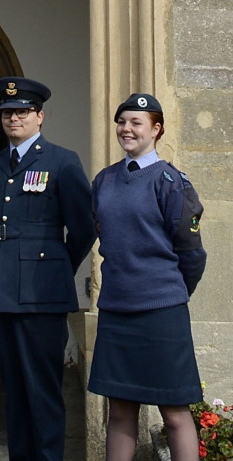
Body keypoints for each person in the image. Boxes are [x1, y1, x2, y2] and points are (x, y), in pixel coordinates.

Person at [0, 77, 96, 461]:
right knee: (13, 393)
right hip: (3, 294)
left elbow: (83, 227)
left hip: (42, 296)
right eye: (7, 113)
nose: (14, 119)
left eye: (22, 112)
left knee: (43, 392)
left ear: (39, 116)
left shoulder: (62, 161)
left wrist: (56, 267)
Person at [88, 93, 206, 461]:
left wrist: (167, 294)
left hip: (161, 314)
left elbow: (191, 253)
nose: (127, 129)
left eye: (136, 123)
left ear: (156, 129)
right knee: (121, 410)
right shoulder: (104, 180)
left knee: (174, 411)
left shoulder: (172, 182)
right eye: (122, 122)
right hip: (117, 309)